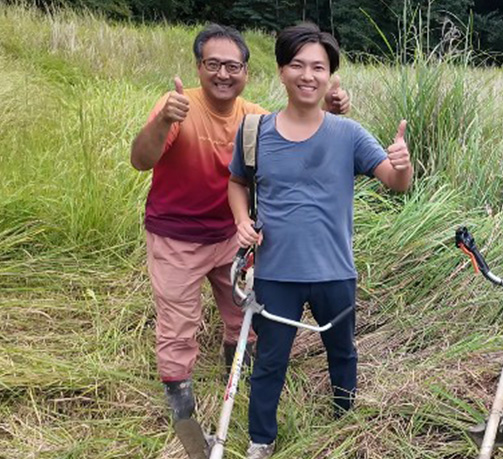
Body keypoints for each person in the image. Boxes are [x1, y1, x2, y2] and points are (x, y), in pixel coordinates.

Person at [129, 23, 350, 425]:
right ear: (199, 67)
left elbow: (300, 133)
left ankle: (239, 373)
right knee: (178, 321)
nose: (223, 74)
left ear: (247, 71)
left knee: (244, 315)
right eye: (213, 64)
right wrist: (163, 121)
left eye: (233, 66)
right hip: (176, 236)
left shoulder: (254, 120)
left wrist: (330, 111)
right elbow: (141, 160)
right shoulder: (178, 106)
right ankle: (180, 403)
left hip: (234, 236)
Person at [227, 22, 412, 459]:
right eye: (297, 65)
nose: (307, 76)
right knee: (270, 360)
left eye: (318, 67)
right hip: (276, 272)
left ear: (330, 76)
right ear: (281, 71)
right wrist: (242, 221)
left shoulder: (348, 133)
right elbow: (237, 183)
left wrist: (403, 164)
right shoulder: (255, 132)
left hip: (335, 271)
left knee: (342, 352)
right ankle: (261, 441)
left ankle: (344, 424)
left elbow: (395, 183)